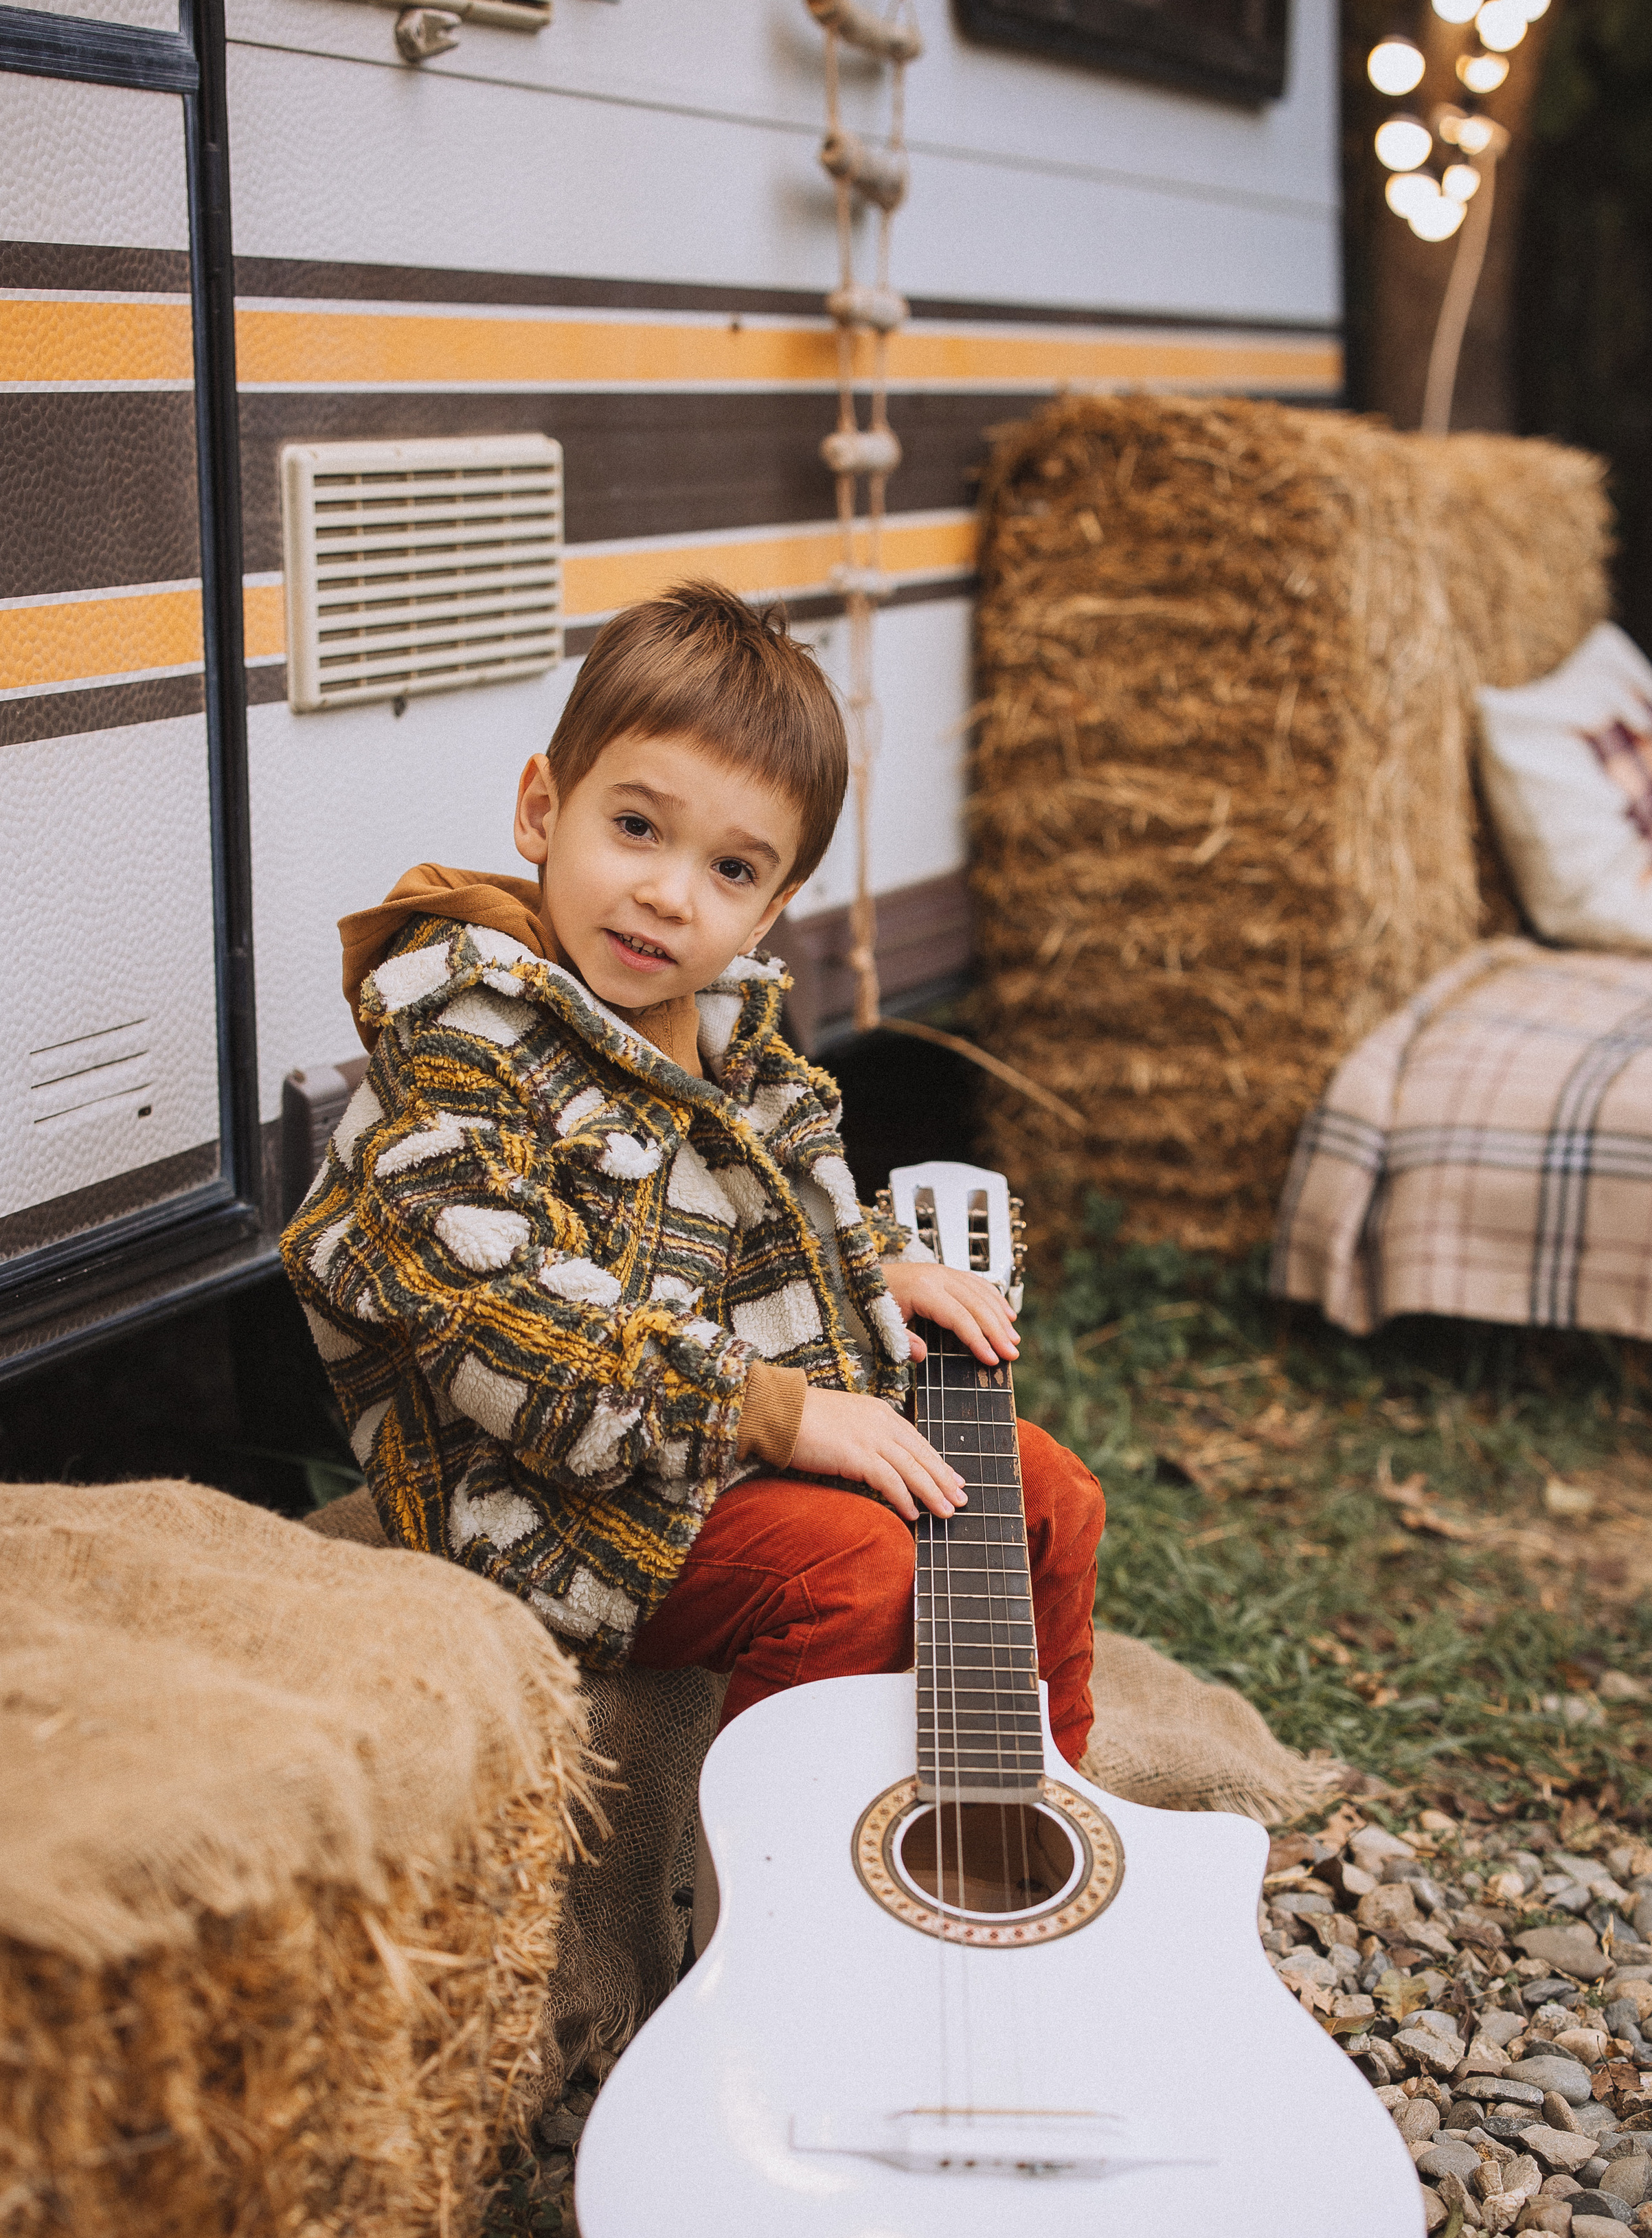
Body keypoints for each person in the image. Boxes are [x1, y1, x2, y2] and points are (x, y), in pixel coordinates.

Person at [283, 581, 1104, 1756]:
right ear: (541, 808)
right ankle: (776, 1891)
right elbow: (503, 1321)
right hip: (541, 1494)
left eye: (731, 871)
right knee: (860, 1574)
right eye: (636, 829)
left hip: (701, 1428)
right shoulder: (461, 1048)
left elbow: (743, 1208)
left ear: (774, 907)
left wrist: (868, 1264)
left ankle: (1048, 1817)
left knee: (1047, 1494)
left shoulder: (719, 1023)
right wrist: (768, 1411)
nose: (670, 895)